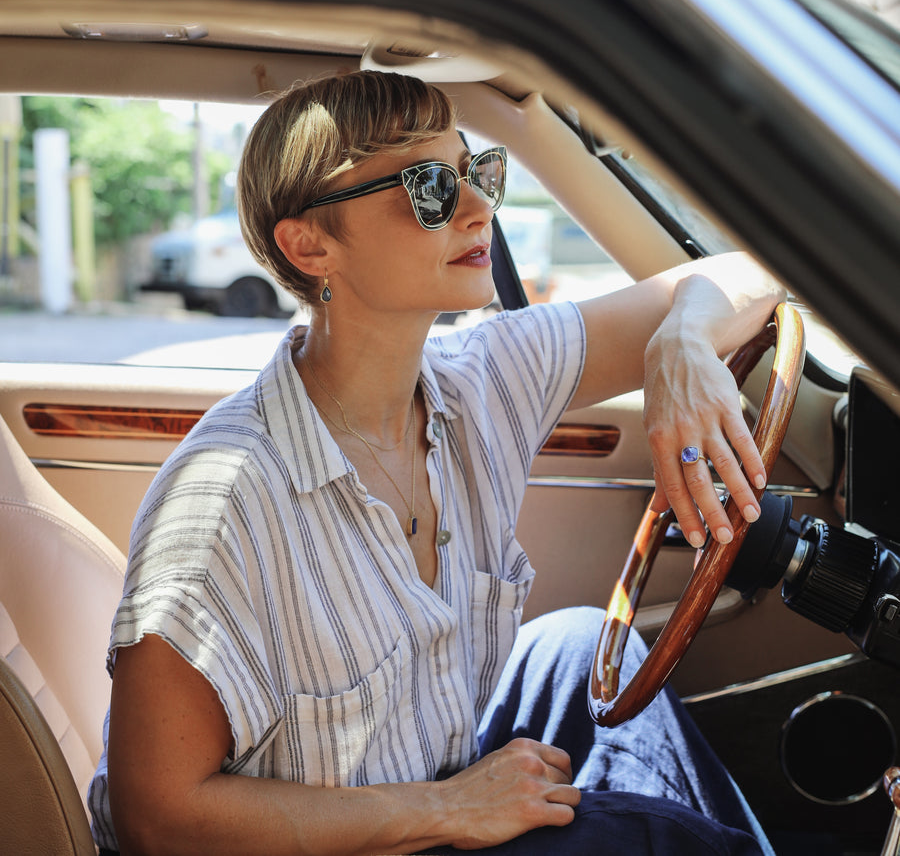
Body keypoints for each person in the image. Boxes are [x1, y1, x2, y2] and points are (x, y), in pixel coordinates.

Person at [88, 70, 783, 855]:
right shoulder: (223, 499)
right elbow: (157, 819)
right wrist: (447, 808)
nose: (480, 206)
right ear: (309, 243)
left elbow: (747, 276)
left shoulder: (482, 377)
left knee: (575, 649)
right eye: (428, 187)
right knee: (654, 839)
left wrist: (683, 340)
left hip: (429, 779)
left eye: (477, 171)